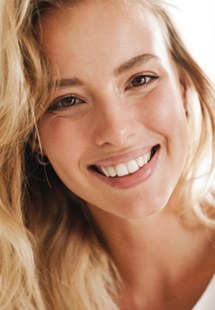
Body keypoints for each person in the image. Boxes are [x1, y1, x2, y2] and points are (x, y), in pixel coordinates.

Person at [0, 0, 215, 309]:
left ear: (183, 85)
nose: (116, 132)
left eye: (140, 80)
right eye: (67, 101)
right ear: (33, 133)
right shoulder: (19, 298)